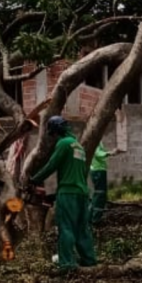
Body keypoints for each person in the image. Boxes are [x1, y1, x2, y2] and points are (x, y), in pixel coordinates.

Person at [27, 116, 97, 271]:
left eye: (54, 134)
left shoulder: (63, 144)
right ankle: (89, 260)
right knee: (82, 228)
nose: (54, 137)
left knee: (66, 227)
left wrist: (34, 179)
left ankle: (66, 264)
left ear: (56, 131)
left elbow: (52, 165)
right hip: (82, 193)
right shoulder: (78, 146)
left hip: (68, 193)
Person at [89, 143, 117, 225]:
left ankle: (91, 217)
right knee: (100, 195)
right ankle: (95, 218)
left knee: (98, 194)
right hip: (98, 170)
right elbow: (98, 154)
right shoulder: (96, 140)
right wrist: (109, 153)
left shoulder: (98, 140)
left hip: (98, 169)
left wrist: (111, 153)